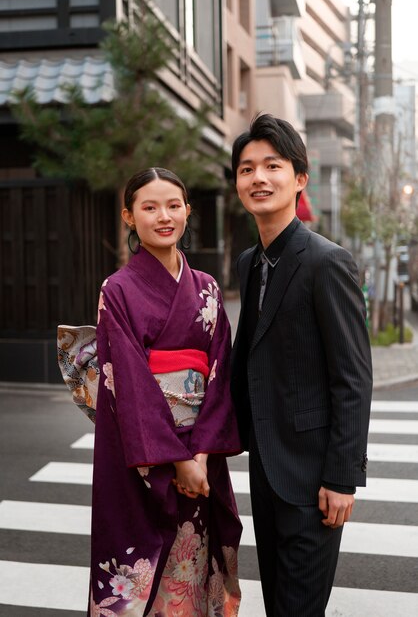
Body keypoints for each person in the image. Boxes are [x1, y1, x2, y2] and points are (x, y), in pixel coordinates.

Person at [59, 167, 242, 616]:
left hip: (199, 454)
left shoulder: (208, 289)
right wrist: (176, 459)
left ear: (187, 211)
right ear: (128, 216)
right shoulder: (117, 290)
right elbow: (128, 379)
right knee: (145, 565)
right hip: (148, 457)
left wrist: (199, 456)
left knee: (194, 567)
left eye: (174, 205)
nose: (164, 216)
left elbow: (220, 376)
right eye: (149, 206)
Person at [230, 114, 372, 617]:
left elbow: (352, 378)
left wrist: (341, 478)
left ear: (300, 178)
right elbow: (250, 356)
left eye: (273, 165)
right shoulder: (250, 262)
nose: (259, 178)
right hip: (267, 472)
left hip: (314, 479)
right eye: (247, 169)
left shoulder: (326, 262)